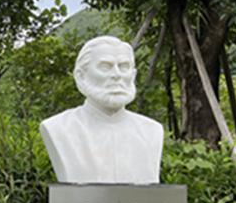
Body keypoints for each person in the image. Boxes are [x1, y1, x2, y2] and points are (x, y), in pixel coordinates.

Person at [39, 35, 163, 184]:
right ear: (81, 76)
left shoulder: (151, 130)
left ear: (133, 75)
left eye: (124, 67)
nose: (117, 75)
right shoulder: (59, 128)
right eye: (105, 67)